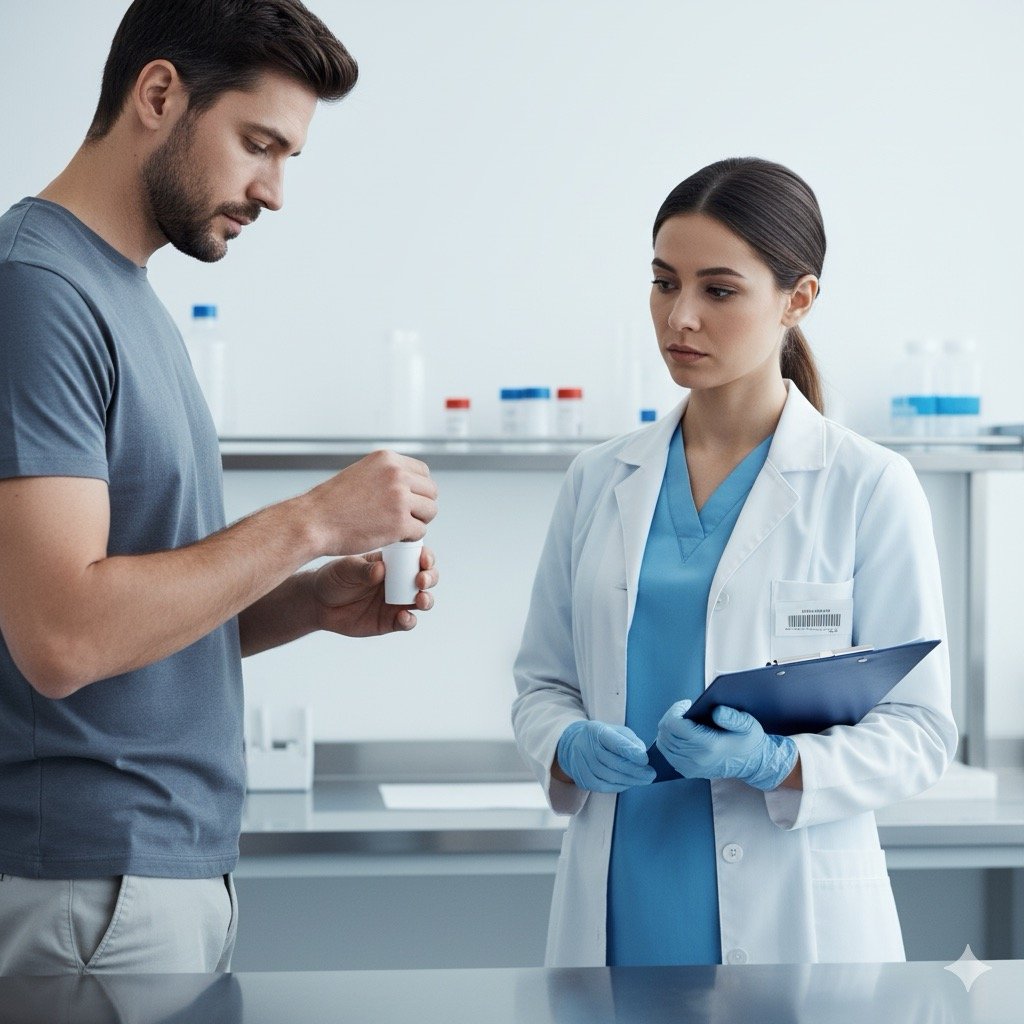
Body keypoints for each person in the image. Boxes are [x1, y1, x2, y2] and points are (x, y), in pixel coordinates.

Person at [0, 0, 439, 976]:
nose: (275, 190)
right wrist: (310, 519)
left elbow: (129, 616)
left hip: (150, 879)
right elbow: (64, 635)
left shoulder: (126, 298)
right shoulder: (36, 293)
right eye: (258, 143)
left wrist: (296, 601)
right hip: (88, 886)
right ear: (159, 94)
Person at [512, 157, 957, 968]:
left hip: (795, 922)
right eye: (662, 282)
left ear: (798, 299)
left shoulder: (866, 486)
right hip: (619, 908)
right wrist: (564, 741)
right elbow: (543, 683)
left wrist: (780, 762)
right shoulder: (600, 479)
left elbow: (921, 730)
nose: (679, 317)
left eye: (718, 290)